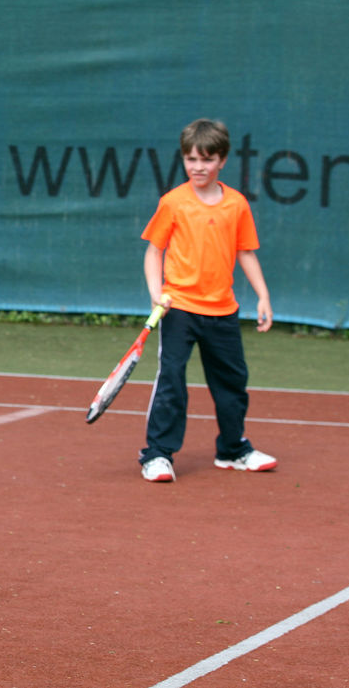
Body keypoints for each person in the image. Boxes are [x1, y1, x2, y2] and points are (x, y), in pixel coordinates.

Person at [137, 118, 275, 483]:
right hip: (179, 307)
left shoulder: (236, 205)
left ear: (223, 161)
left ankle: (232, 450)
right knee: (171, 381)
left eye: (206, 159)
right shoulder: (173, 202)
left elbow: (246, 252)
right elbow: (154, 252)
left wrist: (263, 296)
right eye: (190, 159)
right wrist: (157, 294)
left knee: (232, 384)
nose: (198, 167)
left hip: (223, 311)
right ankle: (157, 455)